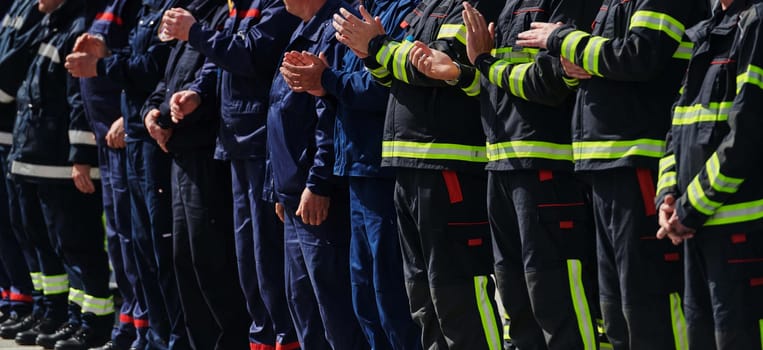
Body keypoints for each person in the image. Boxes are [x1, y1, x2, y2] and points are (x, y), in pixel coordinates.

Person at [515, 0, 708, 347]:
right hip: (604, 167)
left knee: (652, 305)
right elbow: (603, 59)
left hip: (639, 162)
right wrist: (575, 52)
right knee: (617, 312)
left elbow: (638, 55)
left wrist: (562, 38)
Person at [333, 0, 505, 348]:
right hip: (410, 168)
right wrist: (369, 56)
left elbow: (429, 65)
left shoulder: (474, 6)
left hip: (449, 169)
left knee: (458, 299)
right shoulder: (427, 6)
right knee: (423, 304)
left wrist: (379, 47)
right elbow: (392, 75)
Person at [278, 0, 420, 348]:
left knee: (393, 300)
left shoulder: (408, 11)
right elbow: (339, 88)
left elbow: (385, 89)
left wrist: (326, 78)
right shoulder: (360, 10)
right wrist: (321, 80)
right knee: (365, 301)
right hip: (357, 169)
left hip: (385, 171)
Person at [160, 1, 301, 348]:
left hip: (261, 146)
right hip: (237, 145)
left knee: (270, 262)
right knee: (249, 264)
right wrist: (196, 92)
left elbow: (249, 54)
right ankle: (262, 339)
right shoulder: (242, 6)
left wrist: (194, 31)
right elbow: (220, 63)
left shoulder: (276, 6)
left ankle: (281, 338)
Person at [66, 0, 187, 347]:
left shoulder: (163, 7)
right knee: (135, 248)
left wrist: (103, 65)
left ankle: (164, 339)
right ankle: (147, 334)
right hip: (129, 135)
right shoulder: (142, 7)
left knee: (158, 251)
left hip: (149, 140)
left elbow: (154, 68)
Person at [143, 1, 252, 348]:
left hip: (206, 153)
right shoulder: (195, 12)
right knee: (184, 259)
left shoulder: (220, 16)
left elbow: (212, 76)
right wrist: (154, 112)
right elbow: (169, 76)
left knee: (212, 260)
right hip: (179, 153)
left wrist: (174, 116)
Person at [655, 0, 763, 347]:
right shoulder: (711, 27)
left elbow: (746, 136)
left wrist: (687, 210)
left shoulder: (757, 22)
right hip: (697, 230)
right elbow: (678, 126)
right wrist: (668, 196)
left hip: (740, 232)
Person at [8, 0, 116, 348]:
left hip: (58, 160)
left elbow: (78, 100)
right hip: (34, 153)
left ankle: (92, 322)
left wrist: (80, 156)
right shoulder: (50, 24)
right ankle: (58, 313)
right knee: (48, 242)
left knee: (77, 245)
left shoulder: (77, 27)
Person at [269, 0, 368, 348]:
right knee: (303, 305)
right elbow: (279, 113)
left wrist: (318, 182)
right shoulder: (302, 30)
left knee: (334, 309)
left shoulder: (333, 28)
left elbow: (328, 117)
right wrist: (276, 188)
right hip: (292, 193)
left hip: (316, 195)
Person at [75, 0, 142, 349]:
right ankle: (128, 327)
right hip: (105, 140)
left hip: (128, 136)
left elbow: (146, 63)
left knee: (135, 242)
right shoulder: (95, 7)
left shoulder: (133, 6)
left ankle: (143, 331)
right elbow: (80, 82)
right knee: (118, 240)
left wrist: (128, 115)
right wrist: (81, 152)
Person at [0, 0, 44, 335]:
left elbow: (14, 63)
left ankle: (26, 300)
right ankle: (14, 297)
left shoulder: (32, 9)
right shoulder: (15, 6)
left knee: (23, 225)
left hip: (14, 133)